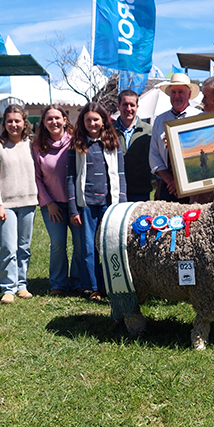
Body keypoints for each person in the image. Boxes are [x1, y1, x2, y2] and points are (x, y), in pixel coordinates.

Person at [67, 101, 127, 300]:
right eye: (87, 120)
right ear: (82, 122)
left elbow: (120, 174)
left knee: (110, 246)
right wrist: (74, 209)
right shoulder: (77, 144)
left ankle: (111, 284)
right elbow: (70, 177)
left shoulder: (113, 142)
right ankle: (92, 287)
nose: (92, 124)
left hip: (110, 205)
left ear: (103, 121)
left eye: (95, 120)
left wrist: (122, 205)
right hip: (87, 205)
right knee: (88, 247)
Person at [0, 104, 39, 304]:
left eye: (17, 121)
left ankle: (21, 284)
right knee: (8, 247)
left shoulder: (31, 144)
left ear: (24, 122)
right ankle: (8, 287)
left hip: (28, 202)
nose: (13, 125)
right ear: (4, 123)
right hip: (6, 204)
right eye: (9, 121)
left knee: (24, 247)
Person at [34, 104, 77, 296]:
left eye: (57, 118)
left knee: (80, 244)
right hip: (52, 204)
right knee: (58, 243)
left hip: (76, 203)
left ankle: (78, 282)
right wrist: (49, 203)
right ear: (44, 122)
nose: (54, 122)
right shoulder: (37, 146)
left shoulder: (76, 141)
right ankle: (58, 284)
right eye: (49, 119)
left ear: (65, 120)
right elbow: (36, 177)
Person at [149, 73, 201, 202]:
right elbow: (154, 156)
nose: (177, 96)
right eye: (173, 92)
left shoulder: (199, 118)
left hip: (196, 186)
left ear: (189, 95)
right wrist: (171, 181)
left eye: (181, 92)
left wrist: (185, 183)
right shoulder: (159, 121)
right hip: (169, 186)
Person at [113, 89, 153, 202]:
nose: (129, 109)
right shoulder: (109, 131)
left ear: (137, 107)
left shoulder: (148, 131)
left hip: (141, 192)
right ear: (118, 106)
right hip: (115, 192)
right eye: (125, 104)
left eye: (132, 105)